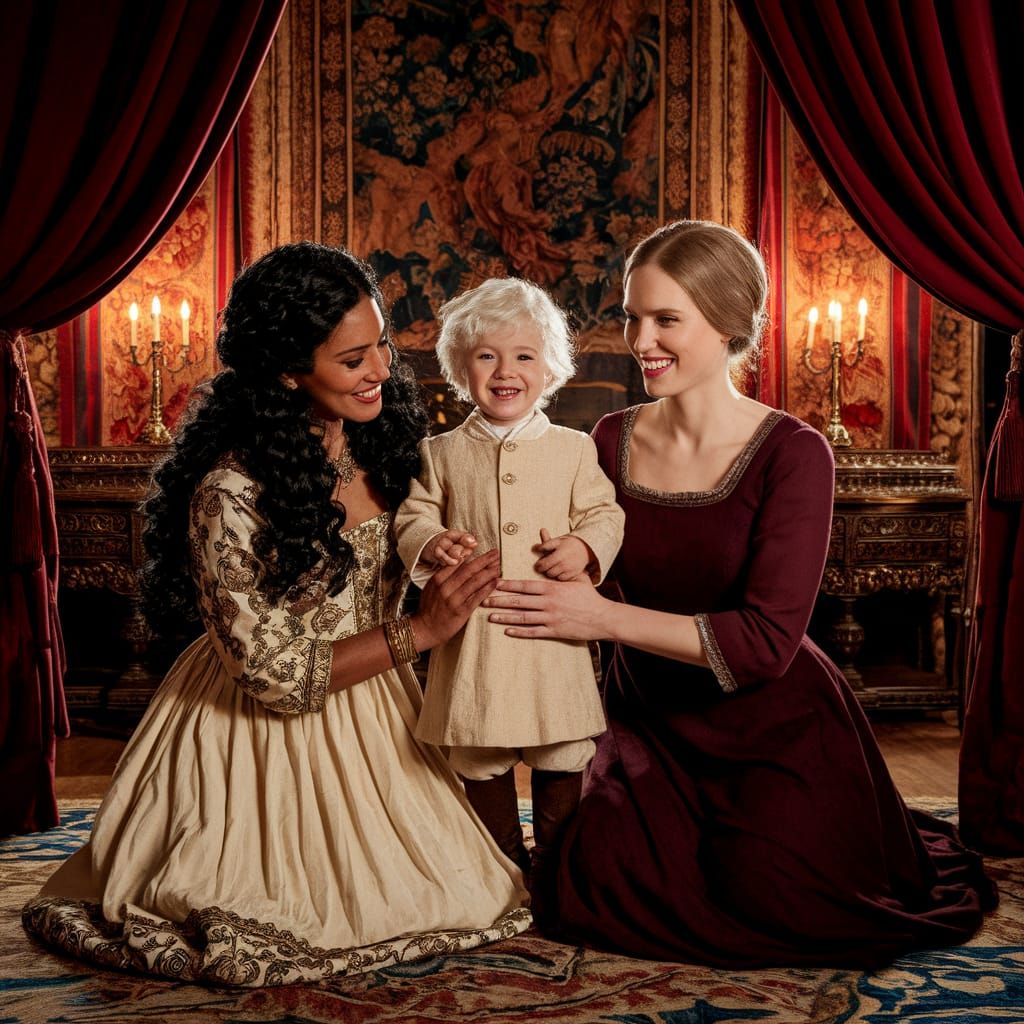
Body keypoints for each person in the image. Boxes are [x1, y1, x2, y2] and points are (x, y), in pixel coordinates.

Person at [483, 220, 996, 964]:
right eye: (632, 316)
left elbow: (763, 643)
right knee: (597, 878)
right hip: (648, 723)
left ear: (728, 326)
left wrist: (601, 615)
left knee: (775, 896)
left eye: (666, 320)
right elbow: (577, 566)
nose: (641, 339)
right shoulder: (606, 439)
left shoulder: (795, 453)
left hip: (773, 722)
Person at [22, 242, 530, 987]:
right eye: (354, 360)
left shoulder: (390, 447)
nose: (384, 371)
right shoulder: (230, 491)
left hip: (381, 709)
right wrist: (421, 629)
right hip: (255, 723)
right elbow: (274, 676)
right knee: (279, 907)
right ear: (291, 371)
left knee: (468, 892)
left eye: (383, 344)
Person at [393, 277, 624, 923]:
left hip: (551, 642)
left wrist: (583, 548)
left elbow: (605, 515)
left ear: (549, 367)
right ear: (461, 370)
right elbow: (412, 516)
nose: (506, 370)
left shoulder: (575, 450)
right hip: (478, 644)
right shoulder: (438, 453)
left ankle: (561, 871)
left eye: (523, 355)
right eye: (487, 355)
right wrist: (432, 540)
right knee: (480, 757)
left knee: (561, 758)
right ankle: (501, 871)